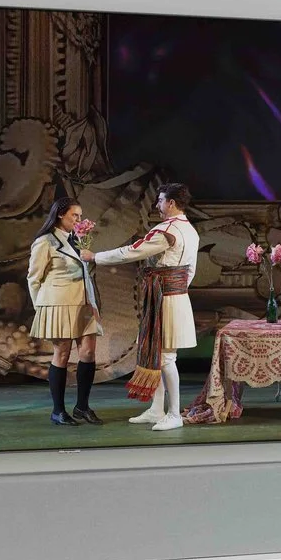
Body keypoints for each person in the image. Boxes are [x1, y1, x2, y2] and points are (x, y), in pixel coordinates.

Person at [93, 182, 198, 432]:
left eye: (160, 200)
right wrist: (175, 287)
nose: (158, 204)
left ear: (171, 203)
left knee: (166, 357)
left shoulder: (168, 230)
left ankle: (174, 413)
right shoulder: (190, 229)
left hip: (167, 298)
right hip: (173, 295)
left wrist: (95, 257)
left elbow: (131, 252)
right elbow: (190, 271)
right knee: (159, 354)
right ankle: (156, 409)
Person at [25, 194, 104, 426]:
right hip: (58, 303)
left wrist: (94, 303)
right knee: (61, 354)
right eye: (74, 215)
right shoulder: (45, 242)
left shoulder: (80, 240)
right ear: (60, 214)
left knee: (88, 353)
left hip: (84, 304)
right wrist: (41, 308)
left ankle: (82, 407)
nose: (79, 220)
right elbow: (33, 278)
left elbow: (86, 276)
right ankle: (58, 410)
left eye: (81, 216)